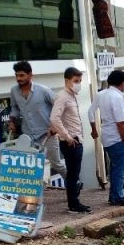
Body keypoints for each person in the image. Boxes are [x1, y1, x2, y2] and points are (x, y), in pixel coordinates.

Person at [9, 61, 67, 182]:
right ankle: (35, 198)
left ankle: (73, 183)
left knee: (56, 164)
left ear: (30, 75)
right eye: (16, 75)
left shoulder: (43, 90)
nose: (18, 78)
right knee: (33, 167)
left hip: (47, 134)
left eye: (22, 75)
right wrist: (12, 121)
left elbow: (59, 104)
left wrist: (54, 125)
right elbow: (14, 108)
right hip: (28, 136)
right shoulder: (14, 91)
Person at [88, 70, 124, 207]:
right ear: (122, 83)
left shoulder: (101, 94)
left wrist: (94, 129)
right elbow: (120, 122)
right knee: (120, 169)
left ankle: (114, 196)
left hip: (107, 137)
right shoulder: (117, 97)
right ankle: (118, 196)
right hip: (118, 138)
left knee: (114, 168)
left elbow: (90, 111)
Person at [50, 67, 90, 214]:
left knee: (74, 174)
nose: (78, 84)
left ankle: (75, 202)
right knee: (73, 175)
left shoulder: (72, 96)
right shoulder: (63, 97)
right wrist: (67, 136)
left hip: (76, 140)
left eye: (80, 81)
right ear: (67, 81)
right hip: (70, 142)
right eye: (75, 81)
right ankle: (74, 204)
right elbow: (54, 118)